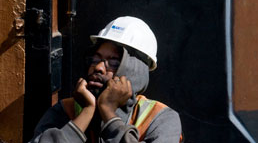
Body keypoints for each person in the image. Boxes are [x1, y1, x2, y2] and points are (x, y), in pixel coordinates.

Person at [29, 16, 182, 143]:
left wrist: (109, 114)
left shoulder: (160, 118)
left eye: (114, 62)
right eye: (95, 60)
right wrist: (87, 112)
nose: (99, 68)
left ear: (136, 71)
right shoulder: (65, 110)